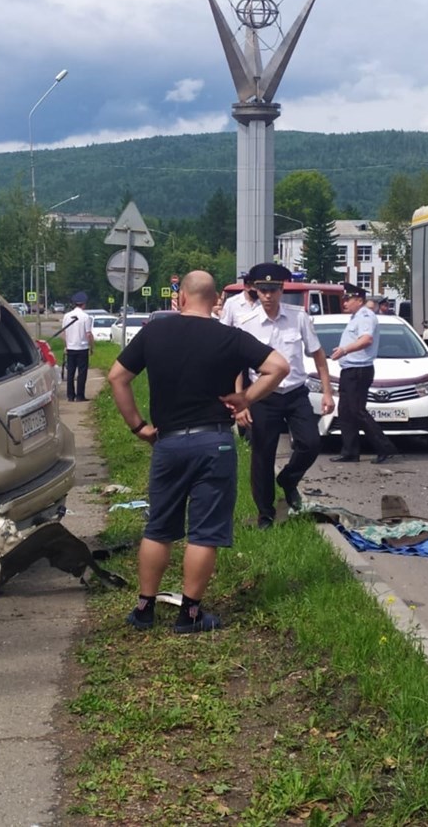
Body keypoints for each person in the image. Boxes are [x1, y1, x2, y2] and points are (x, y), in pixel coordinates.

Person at [107, 271, 289, 633]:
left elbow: (117, 377)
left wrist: (139, 427)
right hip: (214, 442)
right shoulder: (230, 337)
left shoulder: (155, 332)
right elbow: (279, 367)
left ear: (181, 299)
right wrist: (246, 399)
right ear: (215, 300)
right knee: (204, 532)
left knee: (159, 526)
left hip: (168, 442)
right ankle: (189, 614)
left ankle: (144, 609)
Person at [232, 263, 334, 529]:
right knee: (262, 456)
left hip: (295, 392)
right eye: (263, 290)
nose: (268, 295)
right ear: (255, 290)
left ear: (282, 289)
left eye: (273, 289)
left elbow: (318, 355)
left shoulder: (298, 317)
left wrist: (327, 392)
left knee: (311, 443)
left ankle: (288, 479)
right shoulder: (247, 323)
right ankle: (265, 515)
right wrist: (241, 402)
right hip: (263, 397)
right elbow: (236, 365)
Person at [329, 283, 398, 464]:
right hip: (349, 369)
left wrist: (344, 350)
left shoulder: (365, 316)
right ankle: (350, 451)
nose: (344, 303)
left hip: (359, 369)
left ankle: (384, 447)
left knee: (357, 410)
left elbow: (366, 340)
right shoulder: (356, 317)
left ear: (359, 300)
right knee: (345, 411)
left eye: (348, 299)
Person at [61, 291, 94, 402]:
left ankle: (70, 396)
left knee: (70, 372)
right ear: (84, 304)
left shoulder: (66, 316)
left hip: (70, 348)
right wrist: (91, 347)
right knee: (82, 373)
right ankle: (80, 396)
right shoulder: (86, 317)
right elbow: (88, 334)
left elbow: (64, 333)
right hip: (82, 348)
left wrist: (66, 346)